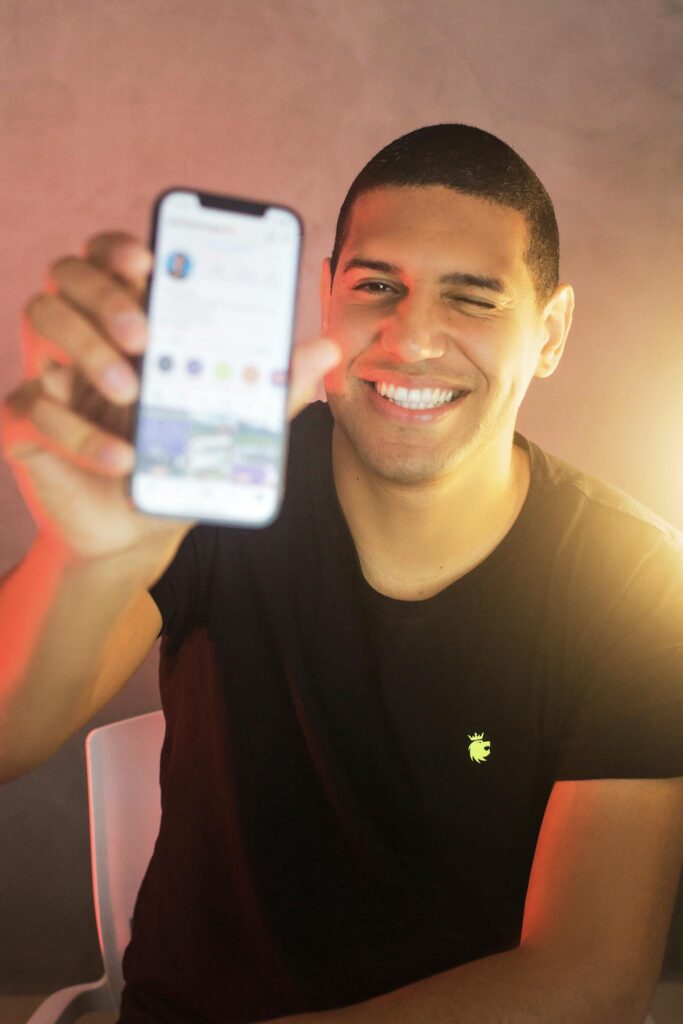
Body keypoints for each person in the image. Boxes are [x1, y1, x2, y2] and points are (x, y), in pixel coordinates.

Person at [1, 124, 682, 1024]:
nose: (412, 339)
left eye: (472, 300)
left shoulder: (639, 584)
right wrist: (85, 556)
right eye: (376, 287)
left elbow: (590, 980)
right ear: (327, 297)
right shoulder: (218, 484)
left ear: (548, 333)